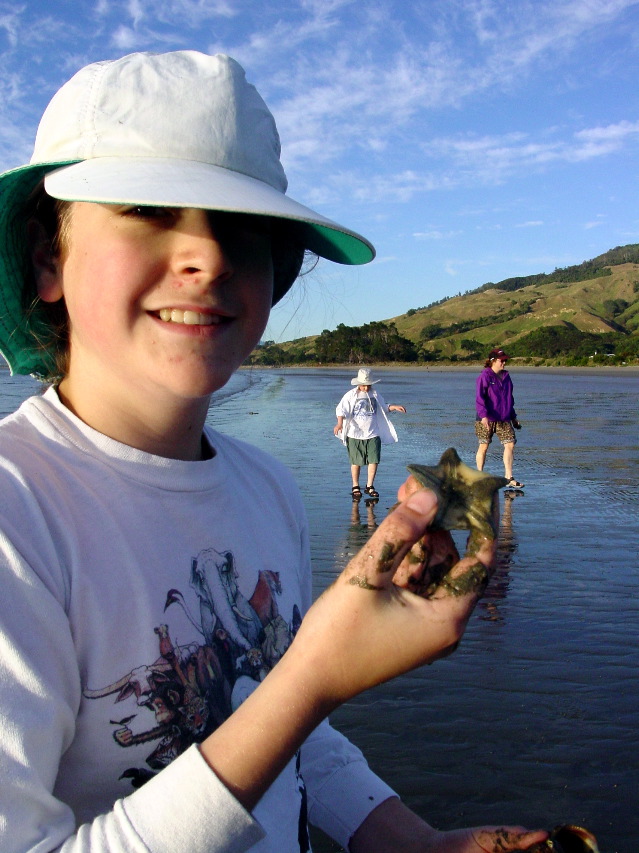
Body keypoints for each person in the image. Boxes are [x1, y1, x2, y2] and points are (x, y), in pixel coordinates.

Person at [0, 51, 548, 852]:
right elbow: (289, 698)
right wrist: (313, 676)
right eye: (149, 208)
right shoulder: (20, 510)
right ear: (49, 257)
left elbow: (282, 729)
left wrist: (411, 839)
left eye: (241, 230)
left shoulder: (266, 488)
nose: (210, 256)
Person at [334, 368, 406, 501]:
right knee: (356, 461)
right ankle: (355, 485)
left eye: (368, 385)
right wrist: (339, 424)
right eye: (363, 385)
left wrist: (394, 407)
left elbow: (383, 407)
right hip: (355, 434)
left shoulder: (375, 394)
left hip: (373, 433)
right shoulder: (351, 395)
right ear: (358, 384)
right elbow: (341, 409)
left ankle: (369, 486)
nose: (366, 388)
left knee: (374, 460)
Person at [475, 349, 524, 489]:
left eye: (505, 360)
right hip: (486, 418)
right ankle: (479, 476)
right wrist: (483, 416)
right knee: (484, 446)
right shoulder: (484, 376)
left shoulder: (507, 377)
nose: (504, 362)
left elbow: (509, 399)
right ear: (493, 361)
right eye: (501, 360)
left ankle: (509, 477)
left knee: (510, 444)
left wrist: (513, 417)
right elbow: (480, 398)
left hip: (503, 417)